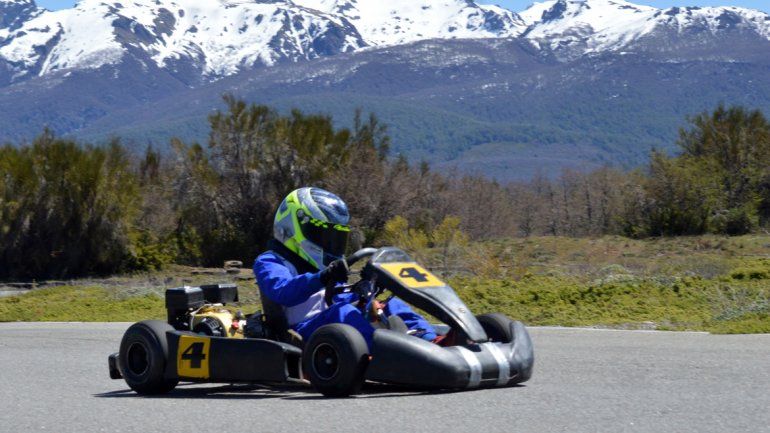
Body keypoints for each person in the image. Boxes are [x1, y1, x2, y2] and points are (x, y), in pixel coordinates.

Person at [253, 187, 436, 348]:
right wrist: (322, 277)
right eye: (322, 234)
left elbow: (335, 296)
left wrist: (365, 289)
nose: (329, 243)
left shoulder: (319, 264)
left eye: (334, 237)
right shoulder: (270, 261)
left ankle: (431, 342)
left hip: (333, 325)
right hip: (301, 331)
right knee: (344, 312)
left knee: (389, 304)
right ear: (293, 227)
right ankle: (388, 353)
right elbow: (283, 291)